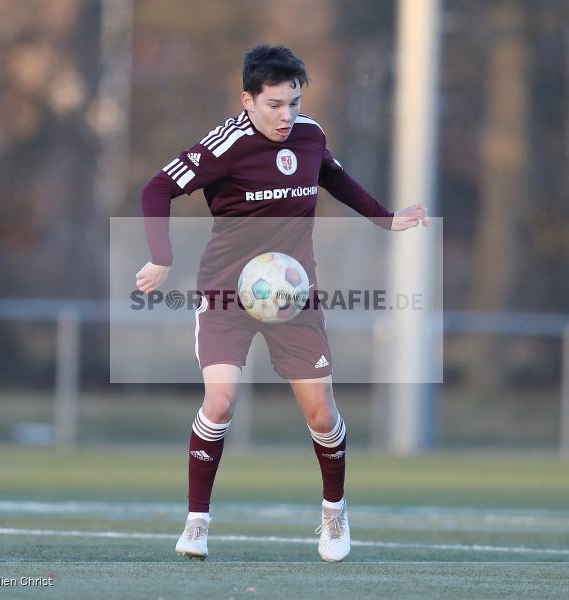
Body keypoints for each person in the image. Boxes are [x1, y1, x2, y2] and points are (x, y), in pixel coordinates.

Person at [137, 44, 428, 563]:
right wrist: (160, 257)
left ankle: (334, 510)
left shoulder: (311, 135)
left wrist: (387, 218)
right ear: (247, 100)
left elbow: (335, 178)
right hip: (226, 293)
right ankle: (196, 523)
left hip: (293, 296)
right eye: (274, 104)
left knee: (320, 413)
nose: (286, 115)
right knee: (220, 400)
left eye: (293, 102)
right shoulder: (226, 145)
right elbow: (157, 189)